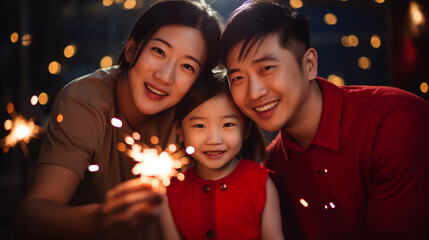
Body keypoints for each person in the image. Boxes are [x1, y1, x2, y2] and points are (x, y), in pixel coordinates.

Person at [220, 0, 429, 239]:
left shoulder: (395, 123)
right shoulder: (271, 169)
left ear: (309, 64)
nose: (254, 92)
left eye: (266, 68)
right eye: (237, 78)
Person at [14, 0, 222, 239]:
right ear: (132, 49)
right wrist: (100, 219)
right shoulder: (85, 101)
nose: (165, 77)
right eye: (159, 51)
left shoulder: (193, 115)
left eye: (187, 66)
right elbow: (29, 216)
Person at [160, 70, 284, 240]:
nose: (214, 139)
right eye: (199, 126)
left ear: (246, 129)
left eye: (227, 124)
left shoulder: (260, 183)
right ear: (179, 130)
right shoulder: (170, 191)